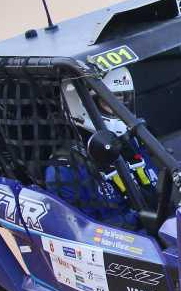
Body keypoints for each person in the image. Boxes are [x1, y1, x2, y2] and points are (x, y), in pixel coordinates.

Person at [53, 66, 156, 227]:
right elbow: (80, 232)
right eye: (109, 102)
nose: (119, 110)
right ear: (81, 106)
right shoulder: (65, 169)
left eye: (122, 100)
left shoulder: (132, 144)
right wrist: (134, 220)